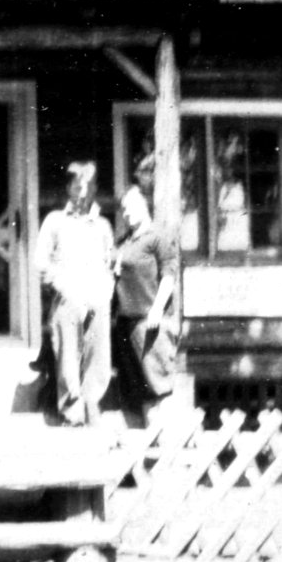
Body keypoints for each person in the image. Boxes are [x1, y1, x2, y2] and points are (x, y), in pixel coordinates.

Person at [34, 162, 114, 426]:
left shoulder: (102, 225)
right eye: (77, 186)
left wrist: (105, 293)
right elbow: (41, 263)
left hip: (97, 299)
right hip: (67, 300)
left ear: (95, 190)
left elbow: (111, 263)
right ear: (68, 188)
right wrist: (66, 291)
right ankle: (71, 411)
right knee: (68, 358)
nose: (82, 192)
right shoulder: (54, 221)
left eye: (88, 186)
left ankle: (92, 404)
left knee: (98, 356)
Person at [114, 186, 178, 426]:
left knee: (157, 384)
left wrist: (157, 308)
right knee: (136, 386)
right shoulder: (124, 241)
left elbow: (169, 275)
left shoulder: (157, 237)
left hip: (149, 323)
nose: (127, 213)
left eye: (132, 207)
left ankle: (163, 445)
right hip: (125, 322)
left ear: (144, 205)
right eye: (123, 209)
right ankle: (148, 445)